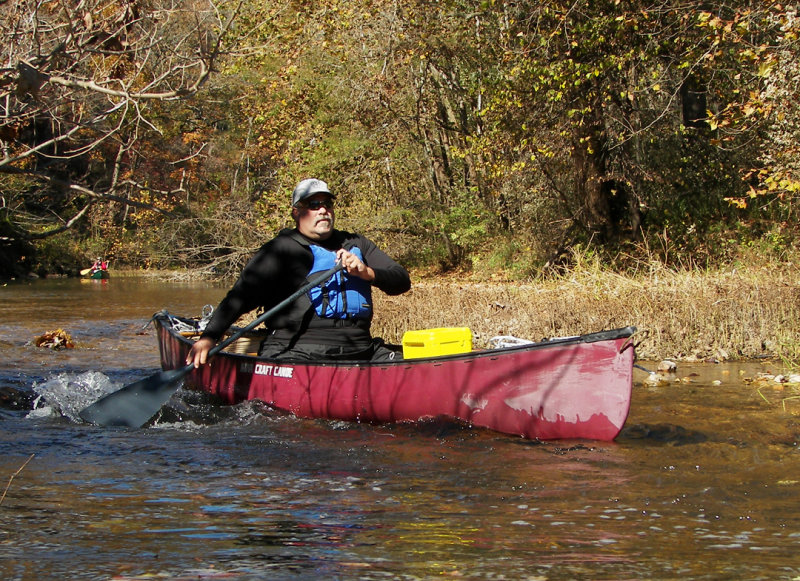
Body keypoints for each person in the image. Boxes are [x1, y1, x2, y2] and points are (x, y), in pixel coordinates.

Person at [186, 178, 411, 367]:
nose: (323, 210)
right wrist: (209, 338)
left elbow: (401, 280)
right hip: (297, 351)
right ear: (296, 213)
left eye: (327, 204)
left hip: (359, 348)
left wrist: (367, 273)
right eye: (313, 204)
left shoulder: (357, 244)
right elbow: (241, 297)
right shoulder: (281, 249)